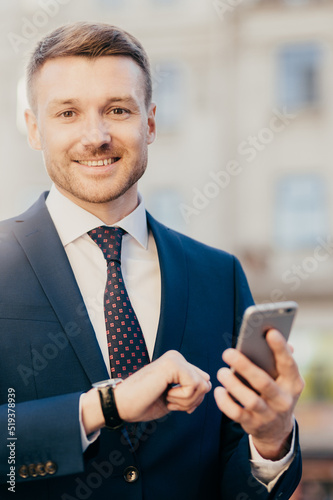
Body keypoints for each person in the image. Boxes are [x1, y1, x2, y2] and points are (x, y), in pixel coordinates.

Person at [0, 22, 304, 500]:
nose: (95, 135)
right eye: (68, 113)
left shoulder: (218, 276)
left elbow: (235, 482)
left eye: (117, 109)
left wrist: (270, 441)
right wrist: (104, 405)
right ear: (35, 128)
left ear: (151, 122)